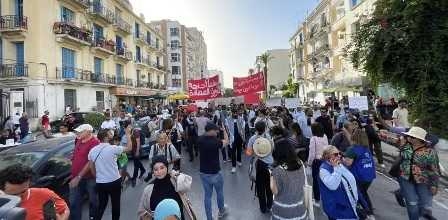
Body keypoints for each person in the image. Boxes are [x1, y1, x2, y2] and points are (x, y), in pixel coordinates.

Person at [88, 127, 133, 220]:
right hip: (114, 181)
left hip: (101, 183)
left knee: (102, 205)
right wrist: (128, 134)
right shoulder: (113, 148)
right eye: (109, 134)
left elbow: (91, 168)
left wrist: (98, 177)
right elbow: (129, 148)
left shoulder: (93, 151)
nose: (111, 134)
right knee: (115, 205)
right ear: (106, 137)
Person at [0, 164, 70, 220]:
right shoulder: (2, 203)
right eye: (13, 195)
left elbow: (64, 210)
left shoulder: (44, 195)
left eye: (23, 192)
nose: (19, 197)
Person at [398, 127, 440, 220]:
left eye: (412, 137)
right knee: (412, 204)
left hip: (423, 180)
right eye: (408, 136)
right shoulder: (405, 146)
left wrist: (434, 185)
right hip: (405, 178)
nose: (409, 138)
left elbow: (434, 170)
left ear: (420, 139)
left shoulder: (430, 152)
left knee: (425, 206)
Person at [197, 122, 229, 220]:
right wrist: (224, 130)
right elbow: (227, 141)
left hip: (203, 172)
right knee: (219, 192)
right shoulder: (215, 141)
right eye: (215, 130)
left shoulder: (200, 139)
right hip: (215, 172)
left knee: (207, 196)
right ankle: (221, 211)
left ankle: (209, 218)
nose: (217, 132)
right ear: (211, 131)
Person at [319, 145, 360, 220]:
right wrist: (336, 168)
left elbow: (351, 181)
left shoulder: (339, 165)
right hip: (338, 210)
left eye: (339, 153)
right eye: (336, 154)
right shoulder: (324, 170)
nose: (339, 156)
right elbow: (333, 185)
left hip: (348, 205)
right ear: (327, 156)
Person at [270, 138, 307, 220]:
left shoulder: (277, 171)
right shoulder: (300, 163)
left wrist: (271, 176)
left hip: (282, 211)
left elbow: (275, 191)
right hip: (299, 209)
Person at [69, 124, 100, 220]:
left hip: (89, 178)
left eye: (81, 131)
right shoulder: (78, 140)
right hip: (75, 177)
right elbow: (76, 155)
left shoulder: (95, 142)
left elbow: (90, 162)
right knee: (74, 202)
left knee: (93, 201)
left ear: (88, 132)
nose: (78, 133)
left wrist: (79, 177)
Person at [342, 129, 376, 217]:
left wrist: (342, 159)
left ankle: (367, 212)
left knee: (358, 194)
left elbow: (348, 162)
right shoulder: (366, 149)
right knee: (363, 192)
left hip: (359, 176)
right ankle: (368, 210)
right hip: (370, 175)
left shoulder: (352, 149)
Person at [245, 121, 274, 213]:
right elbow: (272, 149)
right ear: (265, 128)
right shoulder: (269, 137)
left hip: (258, 164)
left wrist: (254, 152)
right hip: (269, 164)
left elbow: (248, 153)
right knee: (269, 186)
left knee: (260, 187)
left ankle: (263, 208)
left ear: (256, 129)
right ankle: (270, 205)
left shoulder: (253, 139)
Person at [307, 123, 328, 206]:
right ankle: (324, 197)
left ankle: (317, 200)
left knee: (316, 181)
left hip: (316, 161)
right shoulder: (325, 136)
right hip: (324, 160)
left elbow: (312, 153)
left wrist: (309, 163)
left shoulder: (313, 139)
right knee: (324, 179)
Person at [226, 109, 246, 173]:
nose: (235, 114)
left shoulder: (241, 119)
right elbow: (227, 128)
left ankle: (239, 161)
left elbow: (243, 129)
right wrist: (228, 136)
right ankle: (233, 166)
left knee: (239, 150)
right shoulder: (227, 119)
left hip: (239, 137)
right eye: (233, 113)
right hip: (232, 138)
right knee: (233, 153)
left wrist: (244, 138)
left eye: (236, 113)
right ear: (231, 113)